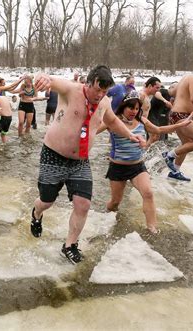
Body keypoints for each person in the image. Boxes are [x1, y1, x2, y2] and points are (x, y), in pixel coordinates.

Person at [31, 65, 145, 264]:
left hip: (80, 161)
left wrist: (130, 135)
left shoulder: (105, 102)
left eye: (104, 91)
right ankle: (37, 213)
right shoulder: (71, 90)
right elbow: (51, 79)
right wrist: (42, 78)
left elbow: (112, 122)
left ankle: (69, 245)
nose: (100, 95)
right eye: (97, 89)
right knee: (47, 201)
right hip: (53, 155)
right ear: (88, 83)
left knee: (83, 204)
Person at [98, 91, 192, 234]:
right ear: (124, 106)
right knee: (115, 202)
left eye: (137, 109)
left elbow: (159, 130)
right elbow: (92, 130)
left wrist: (181, 125)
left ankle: (152, 228)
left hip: (137, 166)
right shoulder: (113, 121)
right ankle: (109, 217)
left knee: (148, 193)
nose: (134, 112)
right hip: (118, 167)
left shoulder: (142, 120)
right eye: (131, 108)